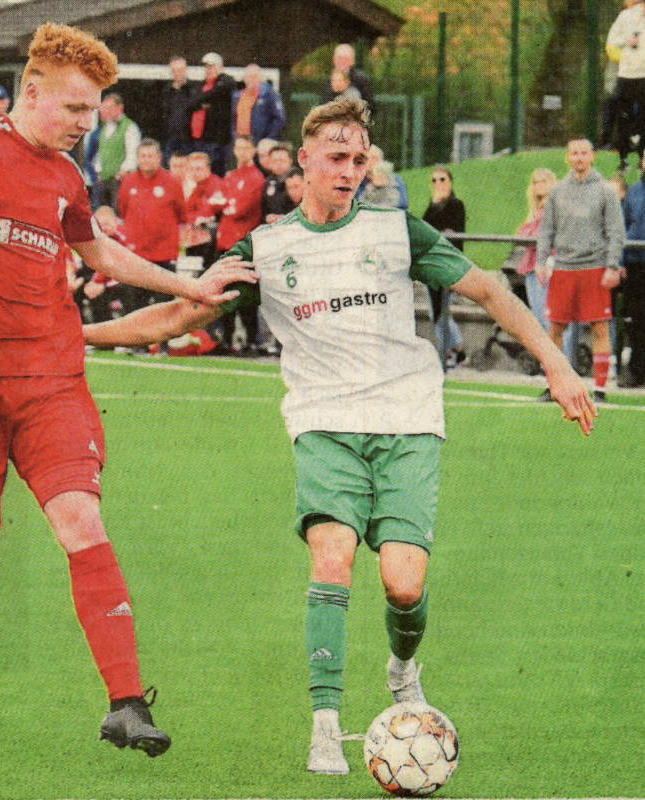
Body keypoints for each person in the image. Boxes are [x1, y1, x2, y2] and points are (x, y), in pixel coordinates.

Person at [80, 96, 595, 776]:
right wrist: (75, 335)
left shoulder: (395, 230)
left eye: (359, 159)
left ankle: (401, 671)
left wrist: (557, 366)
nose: (349, 170)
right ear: (304, 162)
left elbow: (490, 292)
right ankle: (324, 725)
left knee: (403, 584)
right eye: (336, 158)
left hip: (406, 420)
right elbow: (176, 316)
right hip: (324, 424)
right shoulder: (266, 247)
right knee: (331, 557)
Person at [0, 21, 254, 757]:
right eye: (70, 109)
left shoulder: (66, 176)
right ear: (30, 94)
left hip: (48, 380)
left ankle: (125, 702)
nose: (81, 125)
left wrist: (188, 282)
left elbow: (99, 252)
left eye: (92, 112)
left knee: (79, 521)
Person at [535, 137, 625, 403]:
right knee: (554, 330)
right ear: (567, 157)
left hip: (595, 268)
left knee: (599, 328)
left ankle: (599, 389)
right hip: (563, 269)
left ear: (592, 156)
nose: (579, 158)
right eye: (574, 153)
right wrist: (541, 261)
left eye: (584, 153)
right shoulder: (558, 191)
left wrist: (611, 266)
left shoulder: (605, 191)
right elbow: (546, 230)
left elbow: (615, 232)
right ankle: (554, 386)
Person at [116, 137, 186, 309]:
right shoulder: (128, 182)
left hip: (163, 256)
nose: (146, 160)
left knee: (164, 311)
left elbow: (181, 214)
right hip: (135, 257)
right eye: (143, 156)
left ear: (159, 158)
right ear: (137, 158)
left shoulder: (172, 182)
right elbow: (122, 211)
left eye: (150, 156)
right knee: (134, 308)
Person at [211, 134, 264, 354]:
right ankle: (226, 339)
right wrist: (226, 203)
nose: (241, 152)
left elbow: (240, 208)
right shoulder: (231, 176)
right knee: (224, 295)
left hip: (242, 243)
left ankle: (251, 341)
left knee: (245, 296)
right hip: (223, 242)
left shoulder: (256, 177)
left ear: (253, 151)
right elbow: (215, 203)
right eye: (238, 148)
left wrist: (226, 203)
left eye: (246, 148)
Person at [422, 166, 467, 368]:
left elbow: (452, 231)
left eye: (442, 179)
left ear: (450, 182)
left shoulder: (456, 205)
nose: (438, 184)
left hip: (447, 265)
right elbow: (424, 228)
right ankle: (452, 349)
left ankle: (453, 349)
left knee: (441, 310)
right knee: (435, 312)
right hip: (431, 265)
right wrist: (434, 205)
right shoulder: (432, 206)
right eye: (434, 180)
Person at [513, 168, 558, 331]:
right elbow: (521, 236)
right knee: (538, 318)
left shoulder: (554, 207)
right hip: (531, 267)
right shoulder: (535, 210)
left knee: (546, 319)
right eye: (535, 182)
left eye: (543, 181)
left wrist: (531, 230)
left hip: (547, 266)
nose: (538, 185)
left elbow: (542, 236)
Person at [83, 92, 141, 209]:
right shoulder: (104, 128)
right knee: (98, 213)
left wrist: (123, 171)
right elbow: (100, 153)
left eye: (109, 108)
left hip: (119, 181)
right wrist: (97, 172)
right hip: (102, 180)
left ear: (120, 108)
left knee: (118, 212)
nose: (105, 111)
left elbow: (133, 154)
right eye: (104, 108)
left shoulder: (129, 127)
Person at [606, 0, 645, 171]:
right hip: (627, 74)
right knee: (623, 116)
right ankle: (623, 159)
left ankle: (642, 159)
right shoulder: (626, 15)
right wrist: (626, 47)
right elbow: (611, 43)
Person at [188, 52, 236, 176]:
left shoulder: (226, 81)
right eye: (206, 67)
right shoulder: (200, 85)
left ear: (220, 67)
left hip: (215, 140)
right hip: (198, 138)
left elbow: (216, 92)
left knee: (213, 173)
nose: (209, 69)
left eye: (212, 66)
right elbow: (191, 103)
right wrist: (204, 102)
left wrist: (202, 101)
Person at [621, 160, 645, 387]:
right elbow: (623, 224)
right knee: (637, 319)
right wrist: (621, 260)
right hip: (637, 262)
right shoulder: (634, 192)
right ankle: (637, 370)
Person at [231, 64, 286, 146]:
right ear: (244, 78)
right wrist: (234, 136)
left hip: (260, 145)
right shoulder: (237, 96)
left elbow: (279, 119)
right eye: (249, 76)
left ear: (260, 78)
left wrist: (268, 139)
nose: (251, 79)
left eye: (255, 76)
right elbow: (232, 119)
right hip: (241, 144)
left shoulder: (269, 94)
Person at [321, 44, 374, 114]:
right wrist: (335, 92)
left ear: (352, 61)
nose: (342, 61)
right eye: (339, 58)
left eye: (346, 58)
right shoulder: (328, 79)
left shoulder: (361, 79)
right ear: (334, 60)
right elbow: (323, 105)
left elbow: (370, 107)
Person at [161, 56, 194, 165]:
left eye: (180, 70)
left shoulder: (194, 89)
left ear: (185, 70)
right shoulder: (166, 91)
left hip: (189, 140)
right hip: (170, 139)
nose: (177, 73)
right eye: (174, 70)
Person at [355, 145, 407, 210]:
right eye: (368, 158)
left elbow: (402, 205)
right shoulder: (356, 181)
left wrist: (386, 186)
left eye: (375, 158)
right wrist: (371, 186)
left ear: (382, 161)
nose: (371, 162)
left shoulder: (395, 180)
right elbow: (354, 206)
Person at [261, 143, 295, 224]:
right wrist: (266, 217)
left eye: (282, 160)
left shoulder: (299, 179)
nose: (278, 164)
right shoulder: (267, 183)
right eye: (275, 161)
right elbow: (263, 210)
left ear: (290, 161)